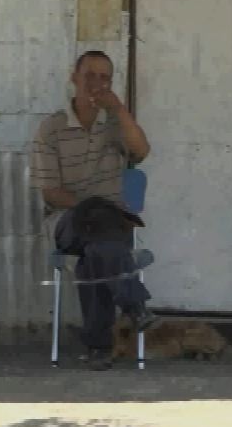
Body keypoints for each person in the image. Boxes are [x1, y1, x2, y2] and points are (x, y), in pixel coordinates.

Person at [32, 50, 157, 371]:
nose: (96, 84)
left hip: (111, 224)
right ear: (74, 78)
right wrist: (90, 206)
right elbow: (51, 191)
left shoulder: (115, 124)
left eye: (105, 78)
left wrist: (119, 110)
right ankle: (134, 304)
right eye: (89, 76)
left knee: (97, 253)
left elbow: (141, 150)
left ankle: (98, 347)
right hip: (67, 220)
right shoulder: (52, 128)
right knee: (100, 228)